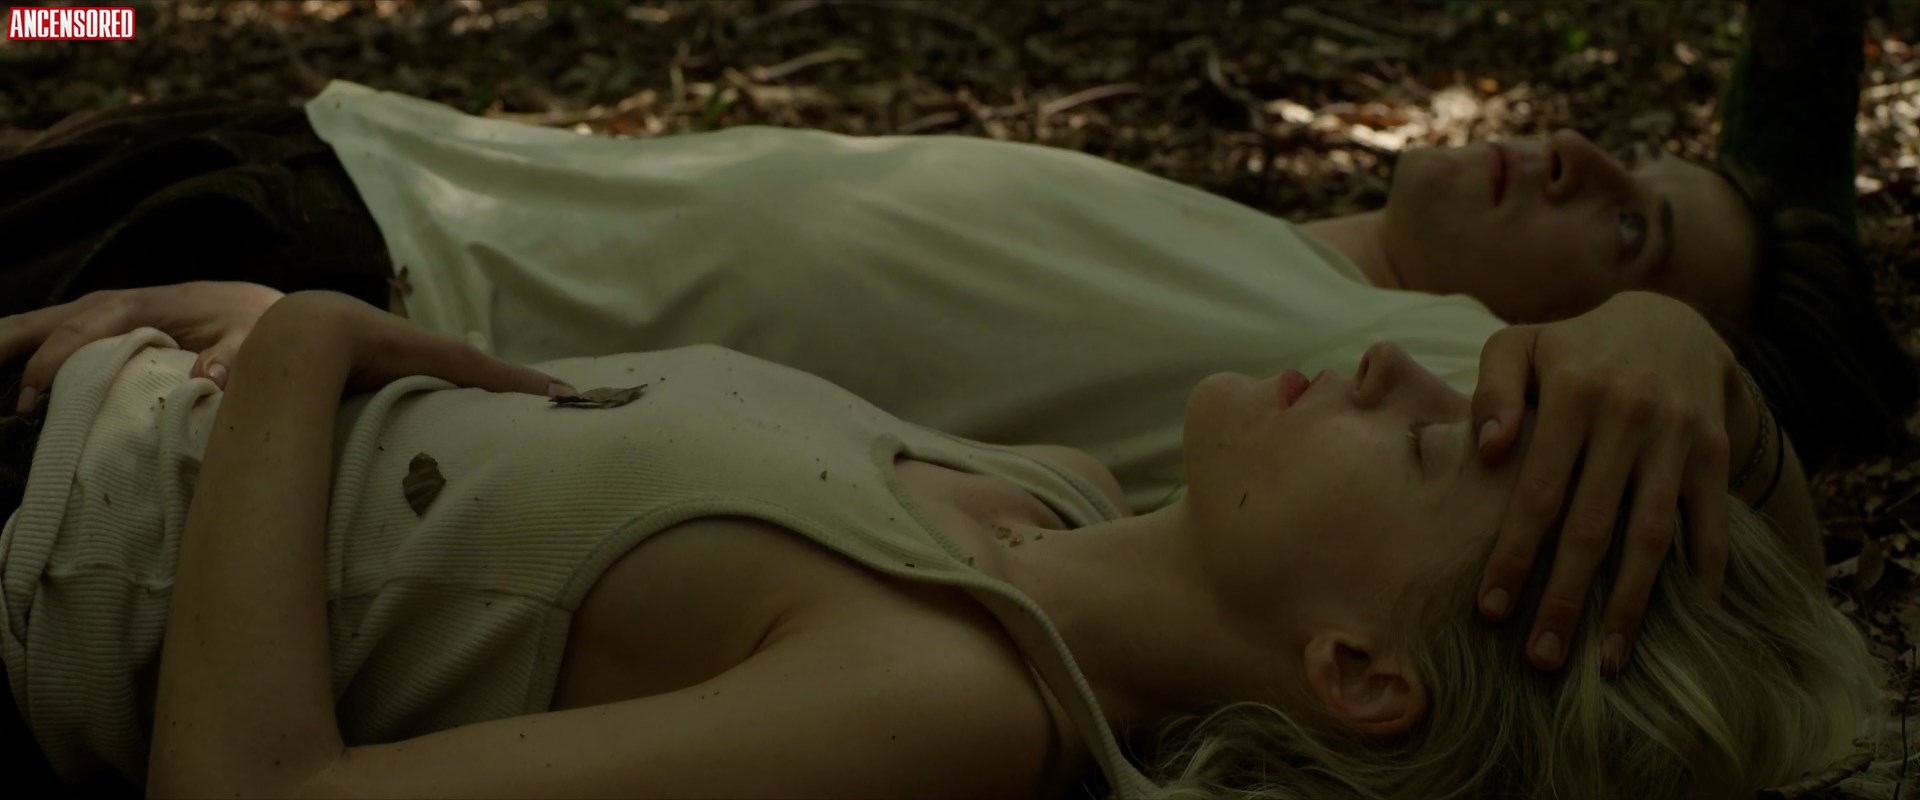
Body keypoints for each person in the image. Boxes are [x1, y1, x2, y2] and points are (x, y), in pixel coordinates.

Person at [0, 0, 1905, 687]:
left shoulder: (1399, 386)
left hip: (342, 357)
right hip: (381, 184)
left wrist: (1697, 372)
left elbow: (1752, 630)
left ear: (1595, 398)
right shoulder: (1277, 295)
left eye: (1636, 232)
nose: (1578, 164)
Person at [0, 289, 1890, 798]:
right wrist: (1686, 347)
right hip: (103, 398)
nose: (1401, 362)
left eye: (1423, 444)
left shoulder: (952, 700)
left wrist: (311, 352)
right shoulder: (1045, 496)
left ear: (1362, 672)